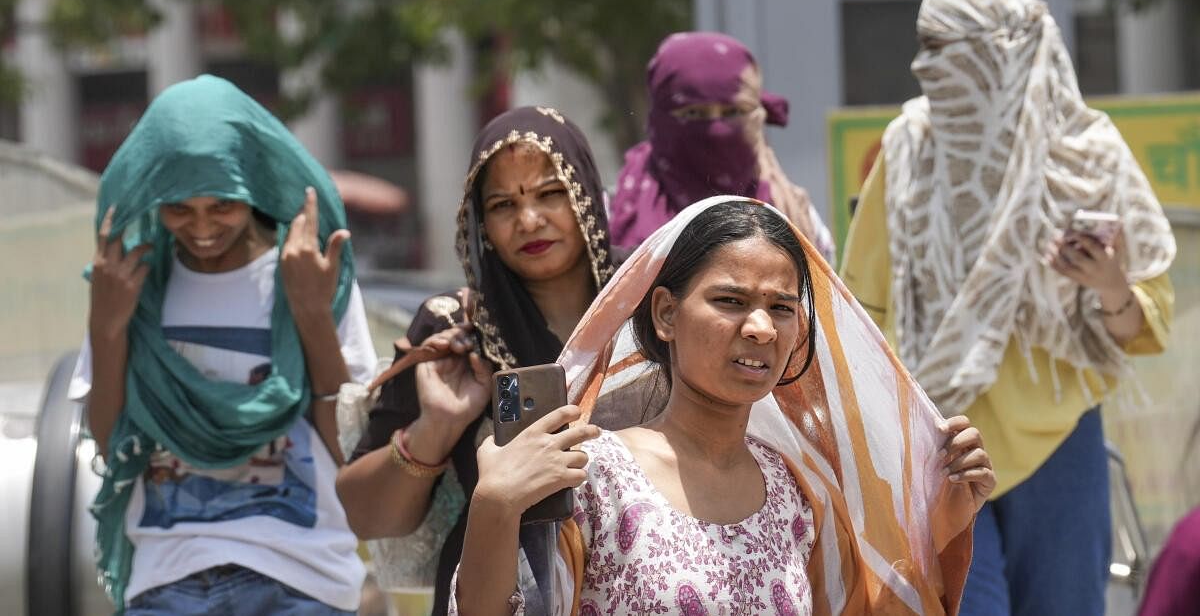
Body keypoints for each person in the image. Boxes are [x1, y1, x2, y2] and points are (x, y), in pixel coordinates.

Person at [451, 197, 993, 614]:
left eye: (780, 308)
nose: (760, 328)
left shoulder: (795, 493)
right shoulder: (594, 475)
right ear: (665, 314)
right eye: (730, 301)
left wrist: (940, 512)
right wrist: (495, 504)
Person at [840, 0, 1177, 616]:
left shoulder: (1087, 154)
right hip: (940, 443)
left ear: (1006, 50)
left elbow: (1146, 322)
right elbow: (868, 310)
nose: (922, 67)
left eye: (943, 49)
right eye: (922, 45)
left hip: (1059, 441)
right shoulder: (907, 149)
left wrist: (1107, 283)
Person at [71, 75, 378, 614]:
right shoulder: (134, 286)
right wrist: (107, 327)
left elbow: (349, 449)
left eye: (222, 206)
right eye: (179, 209)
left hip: (301, 578)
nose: (202, 227)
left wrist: (309, 313)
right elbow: (108, 442)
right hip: (167, 579)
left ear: (254, 186)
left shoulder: (310, 274)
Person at [335, 106, 619, 614]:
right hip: (500, 591)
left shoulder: (646, 303)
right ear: (481, 222)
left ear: (586, 192)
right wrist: (437, 426)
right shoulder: (455, 331)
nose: (529, 220)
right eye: (503, 204)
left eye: (550, 193)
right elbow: (363, 515)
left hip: (639, 581)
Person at [609, 31, 836, 262]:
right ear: (660, 118)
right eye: (694, 113)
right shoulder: (613, 212)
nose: (716, 130)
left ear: (757, 115)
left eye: (733, 112)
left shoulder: (794, 217)